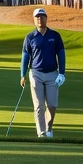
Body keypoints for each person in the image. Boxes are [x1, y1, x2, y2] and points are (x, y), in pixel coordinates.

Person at [21, 8, 67, 138]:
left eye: (42, 17)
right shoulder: (30, 37)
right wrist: (22, 75)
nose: (40, 19)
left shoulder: (55, 36)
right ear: (34, 19)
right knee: (39, 105)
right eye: (37, 17)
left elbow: (61, 54)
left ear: (46, 18)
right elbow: (25, 56)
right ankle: (41, 133)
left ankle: (49, 128)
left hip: (53, 73)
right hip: (35, 73)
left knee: (52, 105)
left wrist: (62, 73)